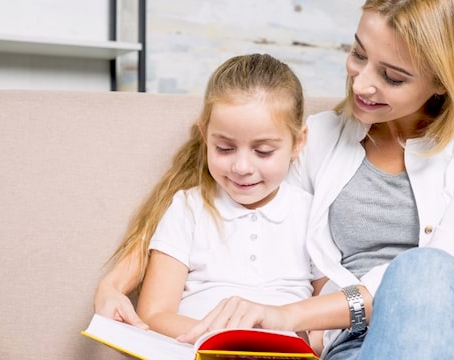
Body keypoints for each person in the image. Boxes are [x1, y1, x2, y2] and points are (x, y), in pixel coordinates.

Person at [173, 0, 454, 359]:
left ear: (444, 79)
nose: (361, 83)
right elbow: (222, 193)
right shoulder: (318, 137)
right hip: (358, 343)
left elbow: (452, 265)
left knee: (419, 270)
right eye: (358, 54)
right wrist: (117, 279)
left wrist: (287, 315)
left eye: (392, 76)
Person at [93, 53, 324, 341]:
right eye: (225, 148)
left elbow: (325, 319)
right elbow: (153, 313)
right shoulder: (188, 208)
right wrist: (221, 338)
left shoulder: (312, 212)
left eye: (263, 151)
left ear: (297, 143)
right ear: (205, 136)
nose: (241, 168)